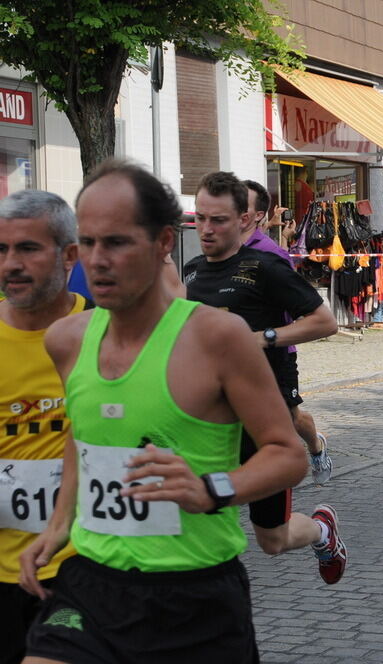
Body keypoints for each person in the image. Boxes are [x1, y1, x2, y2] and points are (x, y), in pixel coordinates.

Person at [19, 160, 311, 663]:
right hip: (93, 581)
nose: (98, 260)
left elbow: (288, 455)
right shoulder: (66, 340)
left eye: (117, 242)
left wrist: (211, 489)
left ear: (162, 244)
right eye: (88, 243)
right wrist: (59, 523)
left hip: (194, 592)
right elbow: (81, 438)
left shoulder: (217, 337)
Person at [183, 172, 345, 584]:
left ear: (243, 219)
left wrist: (262, 338)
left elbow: (324, 322)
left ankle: (322, 530)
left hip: (262, 422)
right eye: (200, 218)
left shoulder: (265, 266)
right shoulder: (191, 273)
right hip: (207, 421)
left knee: (271, 539)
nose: (206, 228)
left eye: (217, 220)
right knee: (191, 513)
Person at [0, 191, 88, 664]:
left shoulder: (105, 331)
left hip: (86, 566)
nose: (11, 263)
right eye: (1, 250)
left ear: (69, 254)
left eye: (28, 249)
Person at [243, 180, 332, 484]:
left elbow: (306, 312)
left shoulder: (271, 254)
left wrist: (266, 335)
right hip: (236, 356)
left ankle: (316, 445)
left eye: (242, 206)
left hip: (276, 353)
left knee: (290, 417)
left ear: (254, 216)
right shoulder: (222, 254)